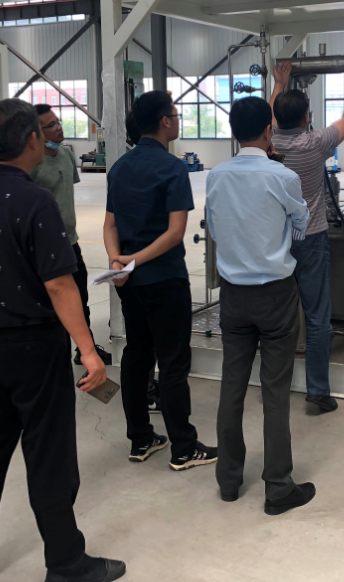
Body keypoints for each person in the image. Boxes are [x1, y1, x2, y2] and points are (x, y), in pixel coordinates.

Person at [0, 99, 123, 582]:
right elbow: (60, 284)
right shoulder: (34, 201)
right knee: (48, 457)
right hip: (32, 347)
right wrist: (88, 350)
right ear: (31, 141)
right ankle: (66, 564)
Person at [206, 96, 316, 515]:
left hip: (233, 295)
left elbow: (215, 227)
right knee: (275, 390)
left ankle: (228, 481)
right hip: (275, 295)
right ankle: (278, 487)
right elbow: (302, 225)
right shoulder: (282, 176)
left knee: (232, 386)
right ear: (269, 131)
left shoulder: (217, 176)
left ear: (234, 132)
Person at [104, 91, 216, 470]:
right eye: (176, 114)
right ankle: (184, 447)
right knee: (172, 362)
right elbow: (174, 233)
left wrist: (118, 262)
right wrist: (133, 260)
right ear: (165, 121)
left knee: (137, 356)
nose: (178, 120)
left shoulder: (119, 167)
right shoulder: (172, 168)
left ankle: (141, 439)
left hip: (129, 284)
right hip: (165, 279)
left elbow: (109, 225)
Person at [269, 60, 344, 413]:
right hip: (310, 238)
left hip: (276, 241)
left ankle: (275, 386)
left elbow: (269, 116)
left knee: (276, 316)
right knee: (317, 315)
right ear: (306, 117)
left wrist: (278, 84)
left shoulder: (269, 143)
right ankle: (318, 391)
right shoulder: (315, 143)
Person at [30, 103, 111, 366]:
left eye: (58, 122)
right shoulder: (31, 164)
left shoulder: (65, 155)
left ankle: (85, 350)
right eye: (50, 125)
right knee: (53, 303)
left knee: (80, 298)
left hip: (70, 243)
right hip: (44, 247)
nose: (58, 128)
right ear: (35, 132)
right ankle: (57, 354)